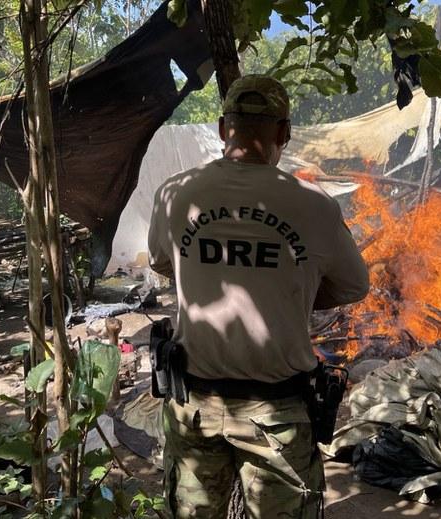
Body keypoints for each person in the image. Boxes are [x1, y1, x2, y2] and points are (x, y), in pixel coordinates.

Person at [148, 74, 370, 518]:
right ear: (283, 132)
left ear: (221, 127)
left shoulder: (176, 194)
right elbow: (353, 286)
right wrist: (289, 290)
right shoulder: (314, 205)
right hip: (278, 417)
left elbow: (161, 264)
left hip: (195, 409)